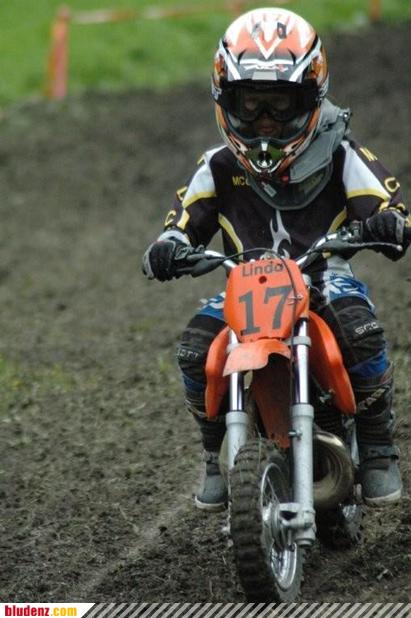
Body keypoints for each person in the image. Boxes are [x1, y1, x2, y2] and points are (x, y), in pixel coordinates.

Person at [142, 8, 410, 511]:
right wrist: (168, 246)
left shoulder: (341, 153)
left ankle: (377, 447)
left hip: (323, 276)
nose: (265, 119)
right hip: (246, 287)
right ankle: (213, 452)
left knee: (360, 332)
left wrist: (389, 222)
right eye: (251, 103)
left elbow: (386, 204)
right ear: (226, 100)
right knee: (196, 350)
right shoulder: (218, 166)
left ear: (310, 98)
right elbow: (182, 221)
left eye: (280, 103)